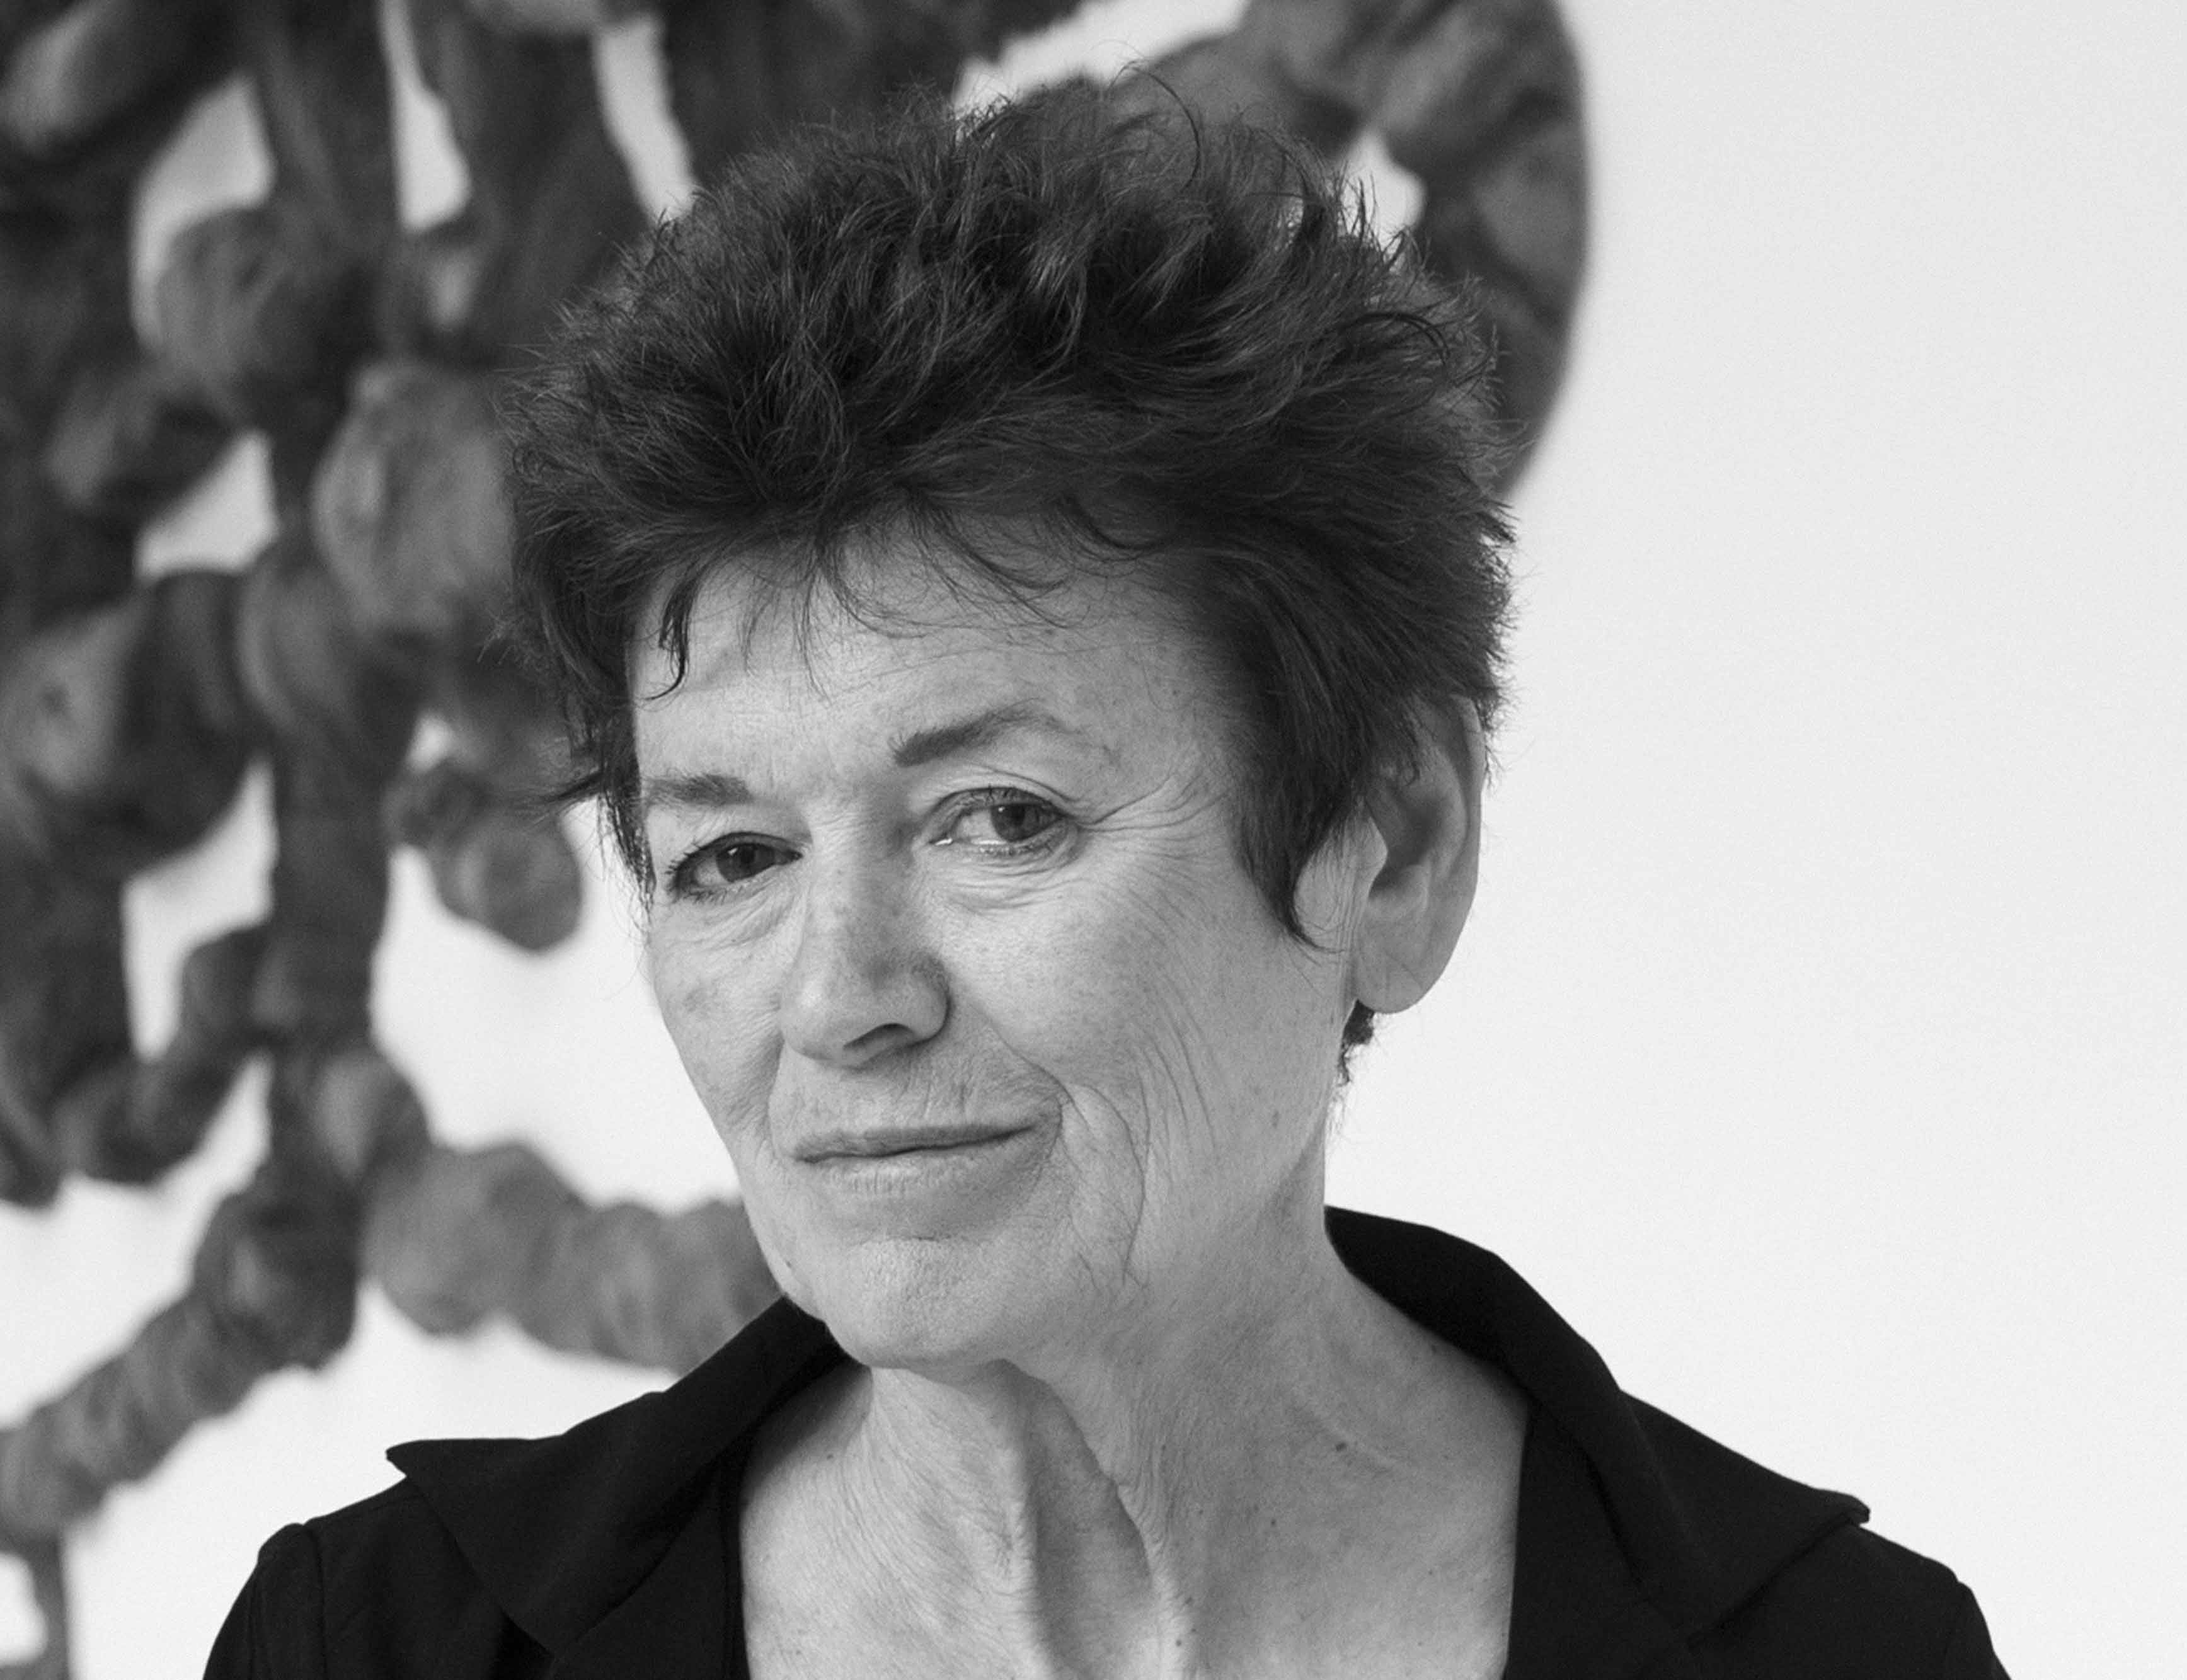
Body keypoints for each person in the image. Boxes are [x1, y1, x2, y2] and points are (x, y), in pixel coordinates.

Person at [207, 88, 2007, 1677]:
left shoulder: (1851, 1662)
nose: (841, 998)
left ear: (1396, 846)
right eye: (734, 855)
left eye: (1000, 818)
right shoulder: (373, 1647)